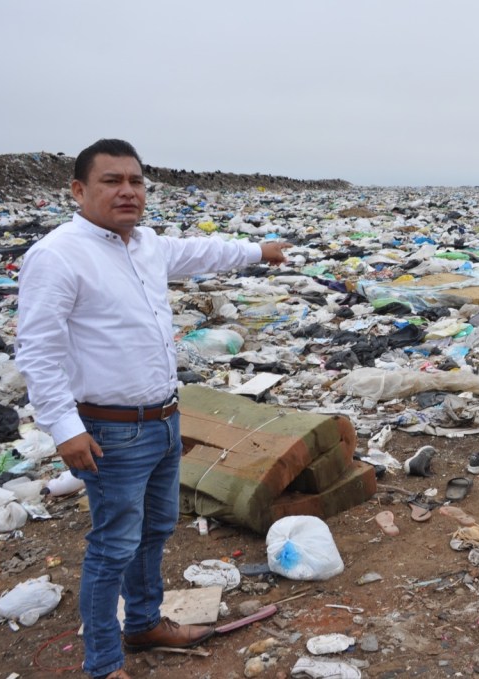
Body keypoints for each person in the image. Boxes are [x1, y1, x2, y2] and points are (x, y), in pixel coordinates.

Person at [15, 139, 290, 679]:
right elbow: (38, 352)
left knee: (156, 529)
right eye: (111, 181)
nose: (127, 192)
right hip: (108, 430)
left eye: (136, 182)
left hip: (164, 421)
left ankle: (142, 624)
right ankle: (103, 663)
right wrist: (65, 429)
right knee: (113, 546)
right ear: (78, 190)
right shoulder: (58, 254)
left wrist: (261, 251)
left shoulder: (144, 245)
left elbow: (202, 252)